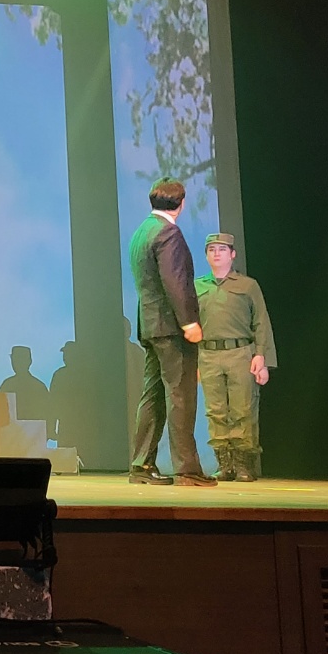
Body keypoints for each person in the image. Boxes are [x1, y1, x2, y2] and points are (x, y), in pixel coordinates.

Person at [127, 178, 215, 486]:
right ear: (181, 203)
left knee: (153, 395)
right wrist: (189, 322)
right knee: (181, 395)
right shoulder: (168, 233)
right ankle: (187, 469)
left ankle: (141, 464)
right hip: (171, 328)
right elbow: (175, 281)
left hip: (151, 326)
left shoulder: (142, 231)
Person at [195, 232, 276, 482]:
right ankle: (224, 464)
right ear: (206, 256)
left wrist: (261, 357)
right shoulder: (197, 286)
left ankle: (243, 465)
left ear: (232, 254)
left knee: (243, 409)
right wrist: (194, 362)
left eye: (222, 249)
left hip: (240, 352)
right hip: (208, 354)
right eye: (211, 249)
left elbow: (261, 322)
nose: (216, 254)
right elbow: (191, 326)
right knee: (215, 411)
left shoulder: (247, 285)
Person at [0, 346, 51, 431]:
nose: (15, 363)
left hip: (28, 435)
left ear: (29, 361)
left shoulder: (8, 385)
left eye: (18, 359)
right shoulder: (39, 386)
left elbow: (47, 414)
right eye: (14, 359)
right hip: (15, 434)